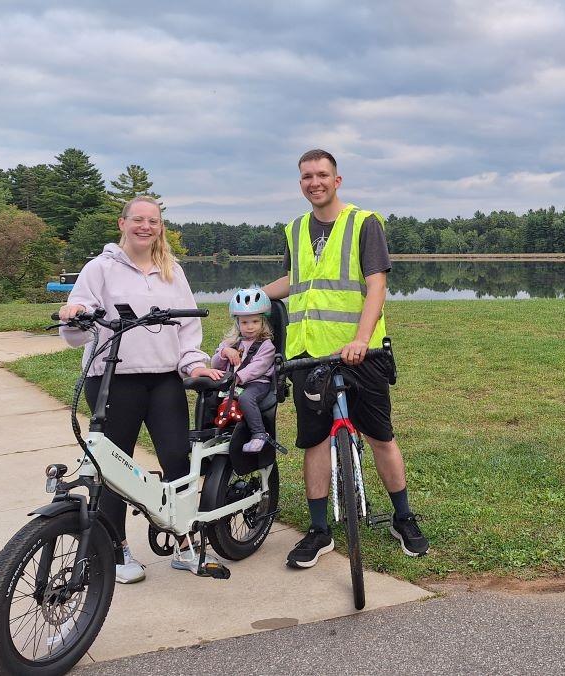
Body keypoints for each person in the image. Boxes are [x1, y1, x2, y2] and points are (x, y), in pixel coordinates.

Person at [262, 148, 429, 568]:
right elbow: (296, 280)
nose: (314, 182)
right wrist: (254, 296)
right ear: (300, 183)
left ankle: (403, 518)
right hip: (307, 353)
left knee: (380, 436)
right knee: (315, 440)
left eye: (322, 175)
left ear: (336, 180)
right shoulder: (295, 229)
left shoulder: (363, 223)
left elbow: (377, 286)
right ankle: (319, 531)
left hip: (360, 352)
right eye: (306, 176)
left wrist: (361, 338)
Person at [59, 196, 225, 582]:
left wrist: (194, 363)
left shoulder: (172, 271)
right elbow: (77, 325)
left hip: (164, 380)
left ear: (160, 227)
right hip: (112, 380)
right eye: (138, 219)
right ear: (123, 223)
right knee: (114, 469)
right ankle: (116, 551)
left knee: (177, 461)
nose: (145, 226)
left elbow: (188, 328)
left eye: (153, 221)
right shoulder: (99, 268)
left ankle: (184, 543)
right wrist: (75, 314)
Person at [211, 287, 277, 453]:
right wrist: (224, 353)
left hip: (257, 383)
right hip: (232, 383)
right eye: (245, 323)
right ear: (238, 323)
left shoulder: (266, 346)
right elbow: (215, 365)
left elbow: (258, 367)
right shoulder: (230, 343)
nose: (250, 327)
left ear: (263, 322)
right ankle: (211, 432)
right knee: (210, 397)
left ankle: (259, 434)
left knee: (246, 398)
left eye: (255, 322)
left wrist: (238, 377)